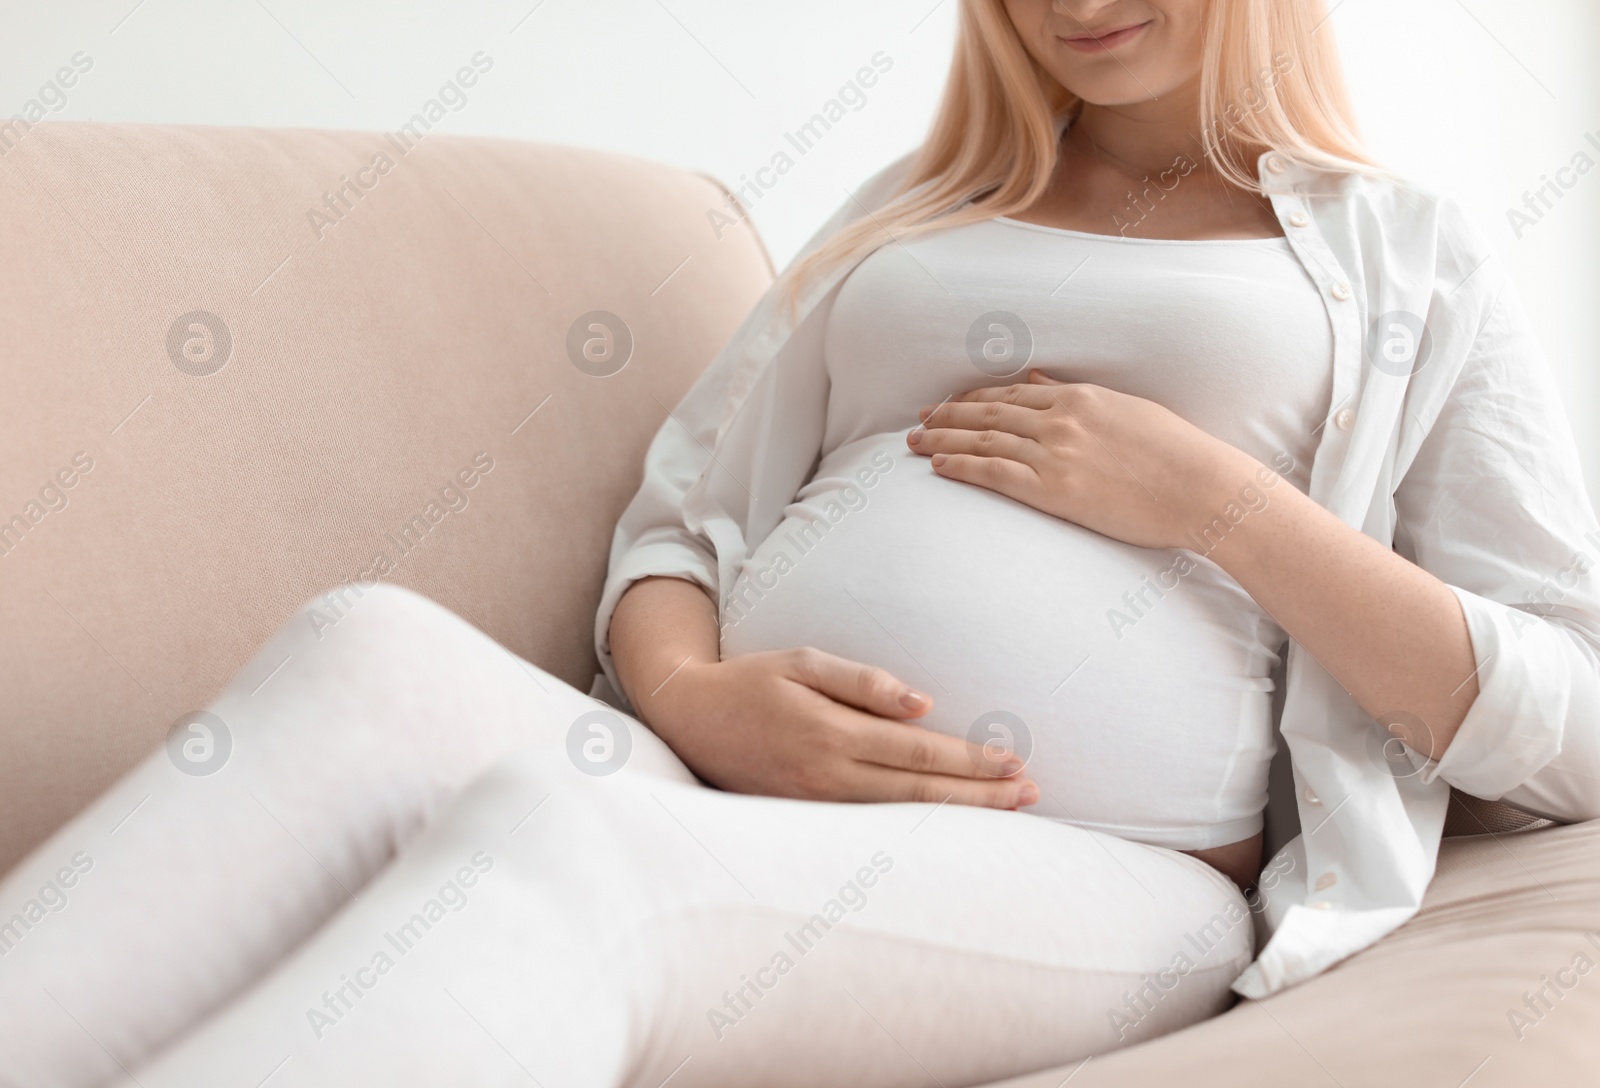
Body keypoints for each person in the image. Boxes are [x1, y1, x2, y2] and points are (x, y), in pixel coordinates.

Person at [4, 1, 1598, 1085]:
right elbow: (677, 526)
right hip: (710, 772)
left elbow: (1570, 725)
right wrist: (693, 696)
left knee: (571, 851)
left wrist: (1221, 506)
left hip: (1110, 876)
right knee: (371, 647)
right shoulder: (913, 207)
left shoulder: (1403, 253)